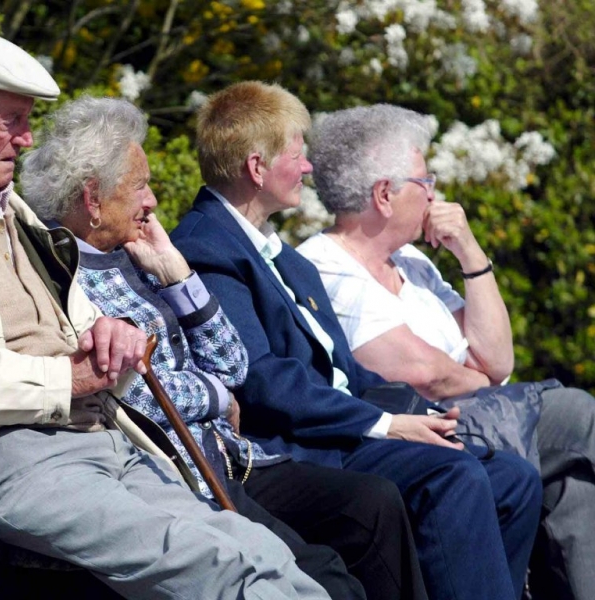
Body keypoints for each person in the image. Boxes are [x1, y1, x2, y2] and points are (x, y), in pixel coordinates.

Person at [0, 29, 332, 600]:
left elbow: (68, 326)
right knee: (217, 564)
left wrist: (104, 331)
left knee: (259, 548)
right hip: (6, 453)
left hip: (100, 438)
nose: (27, 138)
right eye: (12, 121)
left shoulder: (15, 216)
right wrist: (70, 376)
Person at [19, 94, 430, 600]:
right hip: (182, 471)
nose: (152, 201)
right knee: (326, 576)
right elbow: (137, 393)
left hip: (234, 456)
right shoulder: (69, 278)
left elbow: (233, 364)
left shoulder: (137, 254)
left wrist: (177, 275)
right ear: (92, 199)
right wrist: (216, 398)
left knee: (369, 513)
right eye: (141, 187)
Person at [170, 80, 544, 600]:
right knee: (453, 477)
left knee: (513, 478)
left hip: (344, 429)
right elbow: (260, 379)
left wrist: (418, 412)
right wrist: (388, 424)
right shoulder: (207, 248)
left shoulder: (286, 259)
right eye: (297, 155)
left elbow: (346, 370)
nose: (308, 169)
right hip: (300, 446)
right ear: (258, 169)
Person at [297, 102, 595, 600]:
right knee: (578, 415)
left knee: (575, 484)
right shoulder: (325, 268)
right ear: (385, 194)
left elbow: (498, 359)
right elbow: (428, 376)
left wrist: (470, 253)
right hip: (429, 426)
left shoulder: (412, 262)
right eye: (424, 180)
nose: (435, 194)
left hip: (480, 411)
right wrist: (487, 382)